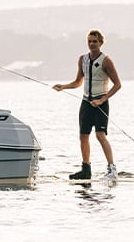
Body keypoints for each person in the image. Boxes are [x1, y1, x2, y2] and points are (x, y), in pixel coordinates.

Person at [52, 29, 122, 180]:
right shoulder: (82, 59)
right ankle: (86, 169)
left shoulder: (106, 61)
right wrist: (63, 86)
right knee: (83, 136)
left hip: (100, 103)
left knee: (100, 135)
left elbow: (117, 85)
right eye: (89, 41)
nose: (92, 44)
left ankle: (112, 170)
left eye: (95, 41)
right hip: (86, 102)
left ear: (101, 43)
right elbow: (78, 82)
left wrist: (102, 100)